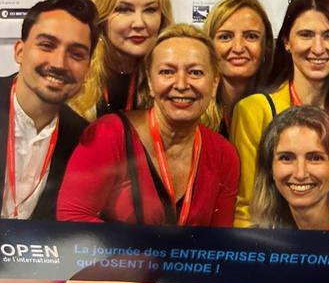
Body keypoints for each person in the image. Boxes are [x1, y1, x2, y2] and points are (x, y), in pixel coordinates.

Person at [57, 23, 239, 227]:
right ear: (151, 83)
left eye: (195, 73)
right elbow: (72, 216)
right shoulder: (108, 134)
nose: (181, 84)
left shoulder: (224, 155)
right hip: (114, 250)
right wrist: (135, 248)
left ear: (214, 83)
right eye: (167, 72)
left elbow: (219, 240)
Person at [229, 0, 329, 228]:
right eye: (306, 35)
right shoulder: (255, 110)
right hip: (276, 247)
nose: (318, 48)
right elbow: (246, 210)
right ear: (286, 42)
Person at [0, 0, 98, 220]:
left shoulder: (83, 140)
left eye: (76, 54)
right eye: (47, 45)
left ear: (88, 68)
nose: (59, 63)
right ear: (19, 51)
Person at [69, 0, 174, 121]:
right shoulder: (72, 76)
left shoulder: (174, 81)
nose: (139, 23)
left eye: (150, 10)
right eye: (124, 10)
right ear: (102, 17)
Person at [251, 105, 329, 231]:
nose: (300, 174)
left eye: (315, 158)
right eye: (286, 158)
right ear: (270, 168)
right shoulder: (255, 241)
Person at [201, 0, 274, 138]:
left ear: (267, 46)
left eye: (251, 36)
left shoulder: (279, 112)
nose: (238, 48)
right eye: (225, 37)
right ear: (208, 47)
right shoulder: (193, 112)